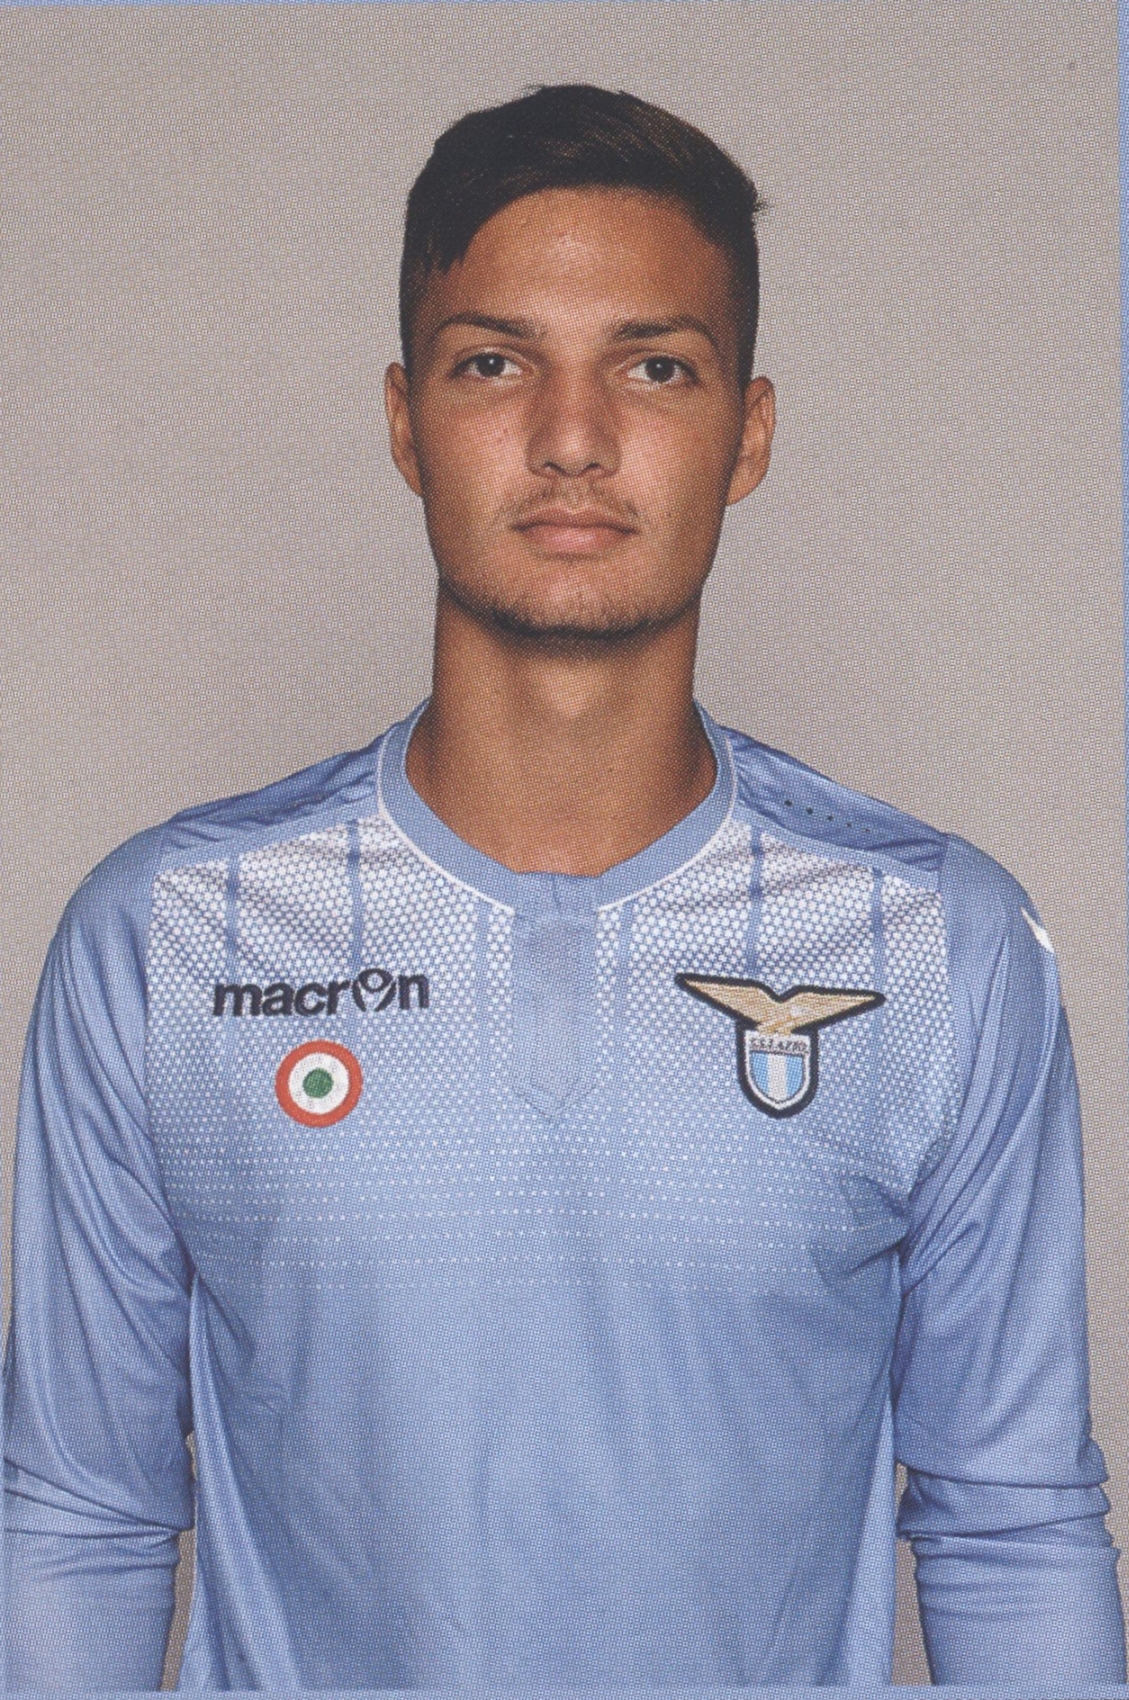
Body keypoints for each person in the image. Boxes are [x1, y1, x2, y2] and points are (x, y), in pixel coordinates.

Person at [3, 82, 1124, 1690]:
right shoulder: (169, 938)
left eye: (652, 366)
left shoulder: (935, 944)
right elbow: (80, 1513)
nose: (573, 438)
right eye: (494, 363)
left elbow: (1008, 1523)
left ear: (747, 433)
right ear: (405, 421)